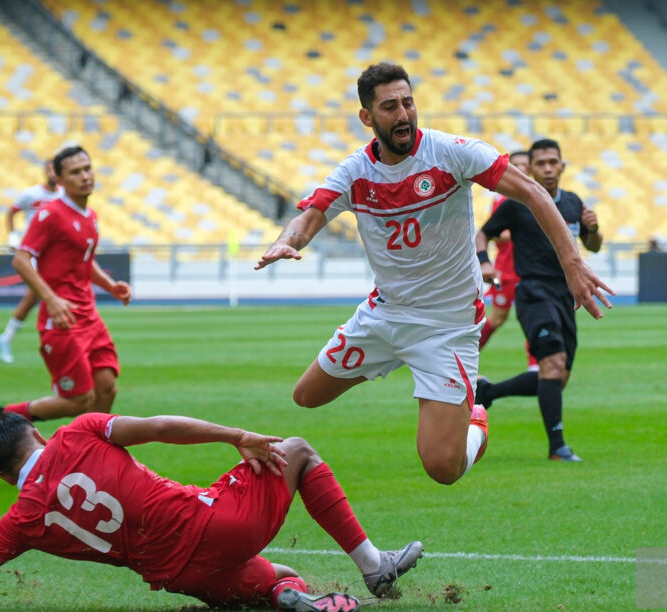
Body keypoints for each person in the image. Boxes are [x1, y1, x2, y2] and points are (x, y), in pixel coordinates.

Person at [256, 63, 613, 485]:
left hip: (447, 325)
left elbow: (533, 192)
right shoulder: (355, 172)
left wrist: (574, 262)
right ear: (367, 118)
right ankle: (414, 372)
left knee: (443, 468)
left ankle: (475, 420)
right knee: (306, 397)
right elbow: (310, 216)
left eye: (408, 102)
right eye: (389, 107)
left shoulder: (452, 152)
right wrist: (288, 242)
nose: (404, 114)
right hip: (386, 315)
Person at [0, 410, 424, 612]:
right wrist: (238, 436)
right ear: (37, 433)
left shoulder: (22, 519)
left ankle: (282, 593)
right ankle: (374, 566)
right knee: (295, 451)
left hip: (178, 577)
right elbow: (164, 428)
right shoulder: (79, 433)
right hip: (210, 525)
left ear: (1, 475)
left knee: (275, 576)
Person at [474, 138, 603, 463]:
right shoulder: (519, 203)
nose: (547, 168)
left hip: (566, 296)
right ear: (530, 168)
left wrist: (593, 229)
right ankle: (558, 447)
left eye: (552, 162)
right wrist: (484, 261)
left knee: (557, 378)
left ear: (561, 166)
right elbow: (483, 233)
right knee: (553, 365)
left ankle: (487, 392)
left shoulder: (573, 202)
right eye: (540, 163)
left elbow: (594, 245)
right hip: (533, 293)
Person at [0, 146, 131, 422]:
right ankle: (2, 417)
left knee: (107, 388)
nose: (85, 176)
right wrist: (51, 299)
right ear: (60, 179)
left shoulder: (90, 216)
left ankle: (91, 449)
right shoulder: (51, 214)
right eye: (75, 172)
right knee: (79, 400)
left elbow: (85, 261)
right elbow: (21, 260)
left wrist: (111, 286)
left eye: (87, 169)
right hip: (63, 320)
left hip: (89, 316)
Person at [0, 159, 63, 364]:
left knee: (36, 297)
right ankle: (51, 342)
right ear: (45, 172)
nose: (52, 173)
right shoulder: (32, 194)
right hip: (34, 252)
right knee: (42, 293)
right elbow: (11, 212)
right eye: (49, 169)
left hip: (55, 253)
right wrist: (13, 236)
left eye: (55, 169)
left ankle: (7, 338)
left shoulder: (63, 196)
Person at [478, 150, 538, 371]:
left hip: (531, 269)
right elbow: (492, 231)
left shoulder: (537, 196)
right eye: (517, 165)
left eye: (525, 165)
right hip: (506, 270)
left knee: (534, 315)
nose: (522, 168)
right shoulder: (502, 199)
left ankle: (536, 367)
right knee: (497, 318)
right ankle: (465, 355)